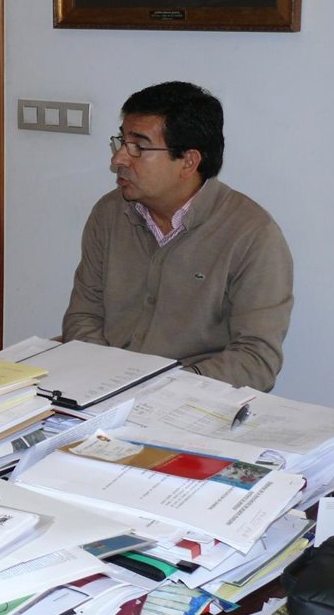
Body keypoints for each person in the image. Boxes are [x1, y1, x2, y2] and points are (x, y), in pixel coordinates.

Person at [62, 81, 293, 391]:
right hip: (103, 389)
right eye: (121, 142)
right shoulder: (110, 213)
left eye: (138, 147)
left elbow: (256, 360)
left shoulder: (252, 235)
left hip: (192, 397)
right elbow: (83, 316)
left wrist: (164, 388)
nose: (118, 159)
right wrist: (104, 380)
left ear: (188, 161)